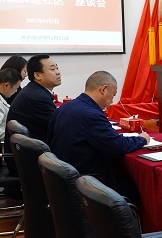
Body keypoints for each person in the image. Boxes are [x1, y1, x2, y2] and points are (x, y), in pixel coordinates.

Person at [47, 71, 149, 200]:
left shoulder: (65, 107)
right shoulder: (91, 114)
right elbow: (118, 146)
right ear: (103, 89)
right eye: (113, 95)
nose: (112, 101)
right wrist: (142, 139)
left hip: (63, 177)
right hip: (87, 181)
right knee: (135, 191)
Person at [6, 54, 61, 142]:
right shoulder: (38, 97)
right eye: (52, 69)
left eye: (57, 68)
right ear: (37, 75)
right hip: (38, 148)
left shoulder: (34, 90)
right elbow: (59, 127)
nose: (58, 72)